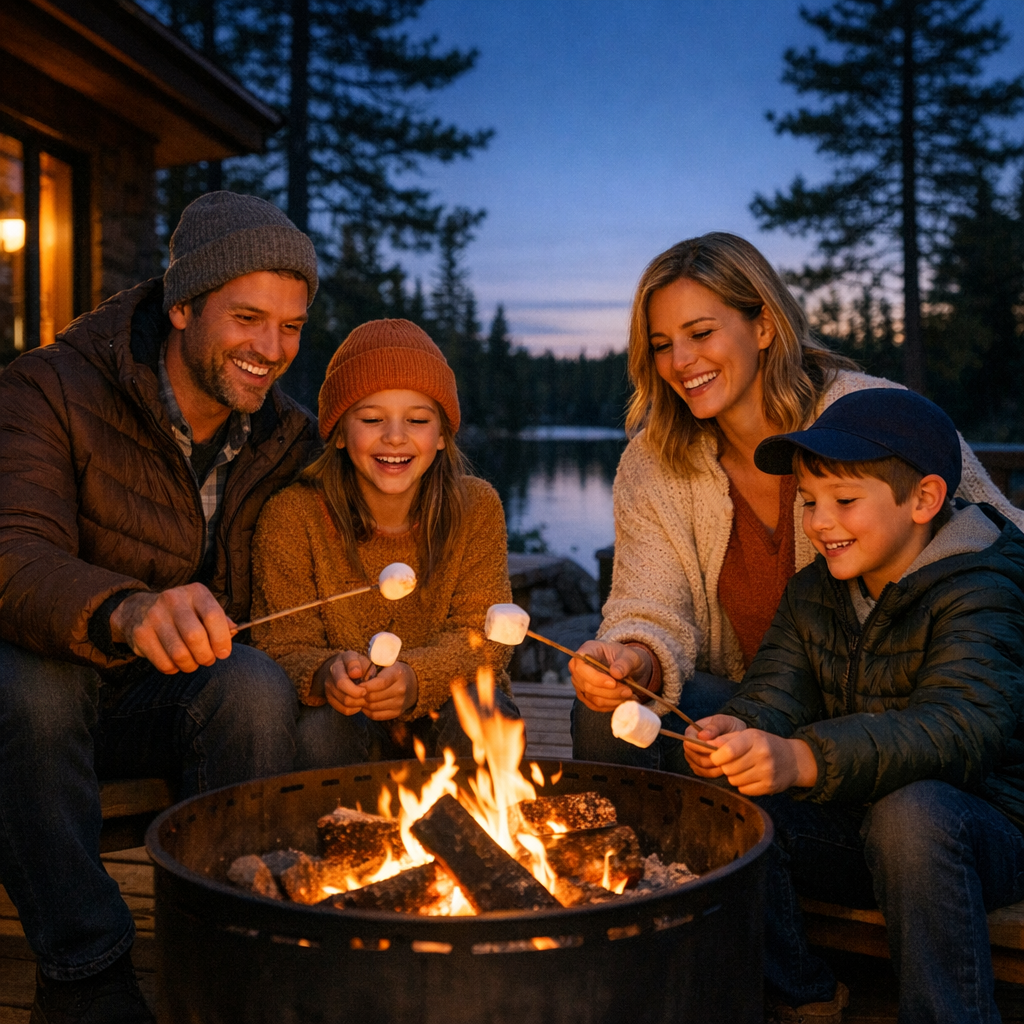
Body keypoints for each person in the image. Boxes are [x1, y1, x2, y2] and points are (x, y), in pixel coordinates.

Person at [0, 191, 321, 1023]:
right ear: (182, 305)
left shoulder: (285, 436)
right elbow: (13, 555)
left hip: (159, 700)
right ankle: (87, 973)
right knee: (34, 682)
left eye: (290, 326)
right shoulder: (47, 389)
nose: (272, 348)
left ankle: (233, 951)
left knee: (251, 684)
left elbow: (360, 524)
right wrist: (128, 610)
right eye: (249, 318)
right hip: (41, 697)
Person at [569, 232, 1024, 770]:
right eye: (662, 344)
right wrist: (634, 662)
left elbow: (998, 539)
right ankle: (624, 855)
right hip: (749, 709)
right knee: (604, 718)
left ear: (762, 325)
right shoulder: (652, 461)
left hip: (889, 716)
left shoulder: (866, 413)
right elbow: (650, 606)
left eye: (701, 332)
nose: (682, 361)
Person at [682, 387, 1024, 1024]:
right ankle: (802, 993)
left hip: (986, 833)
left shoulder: (982, 585)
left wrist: (804, 758)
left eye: (844, 501)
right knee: (729, 787)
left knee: (913, 811)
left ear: (923, 500)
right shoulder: (817, 591)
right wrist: (743, 726)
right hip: (859, 824)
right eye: (809, 502)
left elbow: (961, 727)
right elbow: (776, 692)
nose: (818, 523)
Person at [250, 318, 518, 767]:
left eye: (417, 419)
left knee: (490, 714)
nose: (395, 436)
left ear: (441, 437)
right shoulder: (294, 515)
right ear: (337, 432)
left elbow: (487, 637)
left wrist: (415, 677)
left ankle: (473, 835)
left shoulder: (476, 508)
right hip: (346, 720)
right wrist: (324, 675)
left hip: (447, 708)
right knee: (317, 731)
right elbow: (279, 647)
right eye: (372, 419)